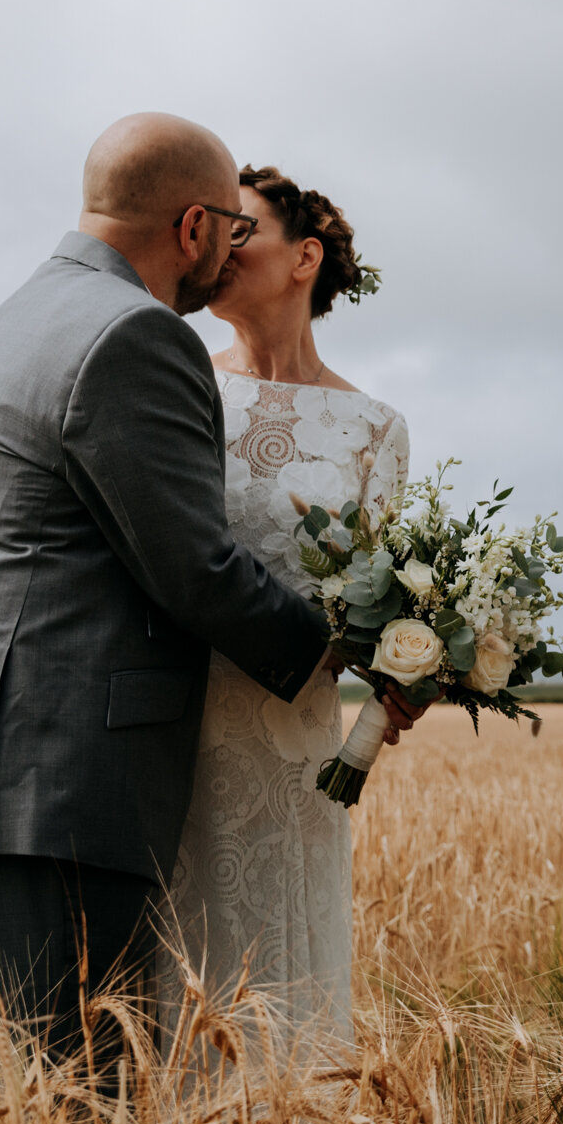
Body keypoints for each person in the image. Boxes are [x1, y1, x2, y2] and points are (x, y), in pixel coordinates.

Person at [0, 113, 420, 1072]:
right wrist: (353, 652)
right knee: (60, 1093)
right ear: (195, 227)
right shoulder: (134, 335)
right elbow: (194, 569)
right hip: (59, 769)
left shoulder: (18, 314)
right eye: (230, 229)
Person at [161, 165, 405, 1048]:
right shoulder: (178, 378)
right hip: (171, 727)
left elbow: (381, 601)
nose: (221, 245)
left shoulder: (375, 427)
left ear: (306, 256)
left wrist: (409, 672)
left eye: (244, 228)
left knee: (289, 999)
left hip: (297, 748)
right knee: (177, 996)